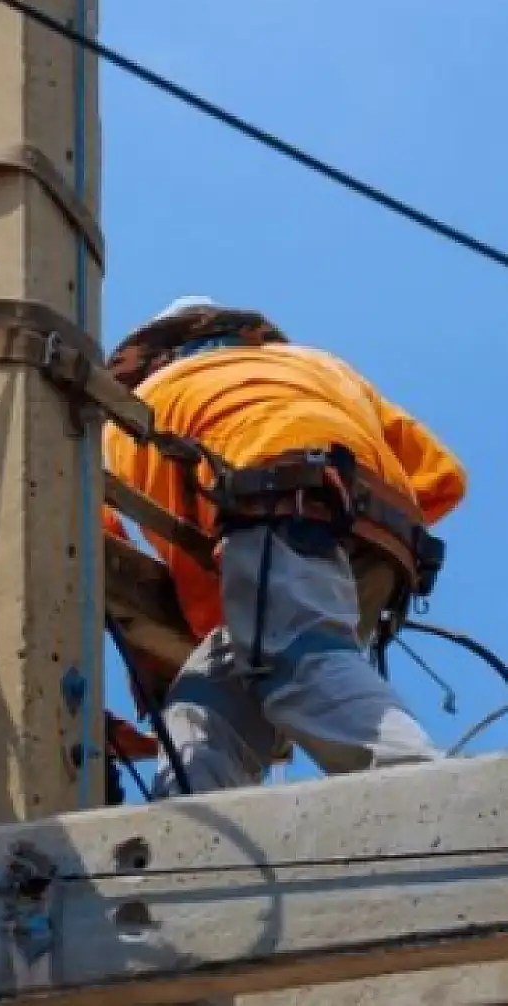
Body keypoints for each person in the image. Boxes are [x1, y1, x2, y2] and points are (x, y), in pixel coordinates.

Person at [102, 297, 466, 798]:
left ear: (153, 356)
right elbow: (444, 477)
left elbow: (83, 535)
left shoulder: (136, 407)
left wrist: (148, 665)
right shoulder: (321, 367)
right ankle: (188, 829)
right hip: (387, 543)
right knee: (204, 705)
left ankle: (435, 794)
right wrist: (357, 518)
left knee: (299, 661)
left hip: (278, 506)